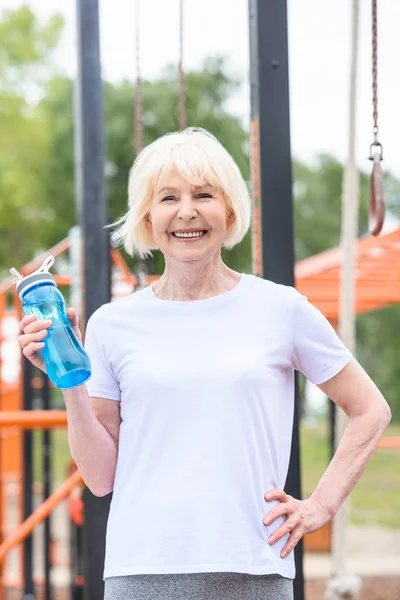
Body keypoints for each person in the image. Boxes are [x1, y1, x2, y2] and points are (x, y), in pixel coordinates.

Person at [18, 128, 391, 600]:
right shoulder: (113, 323)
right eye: (168, 197)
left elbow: (370, 410)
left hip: (254, 567)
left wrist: (320, 505)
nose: (187, 211)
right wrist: (69, 381)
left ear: (230, 210)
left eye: (204, 194)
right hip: (141, 571)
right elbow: (99, 477)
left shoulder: (281, 308)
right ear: (148, 219)